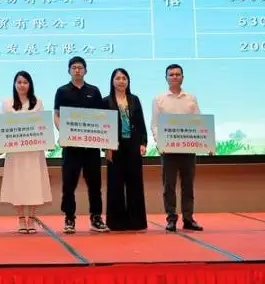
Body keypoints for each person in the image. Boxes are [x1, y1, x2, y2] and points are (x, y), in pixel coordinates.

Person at [53, 56, 109, 234]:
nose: (77, 70)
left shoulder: (94, 91)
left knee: (95, 184)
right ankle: (69, 218)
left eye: (80, 67)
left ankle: (96, 217)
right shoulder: (62, 91)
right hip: (71, 147)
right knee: (69, 184)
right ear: (69, 70)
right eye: (74, 67)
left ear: (85, 70)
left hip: (91, 147)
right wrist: (63, 132)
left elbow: (102, 117)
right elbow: (57, 115)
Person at [152, 64, 204, 232]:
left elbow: (199, 122)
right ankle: (171, 219)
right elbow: (155, 125)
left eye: (177, 74)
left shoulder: (191, 98)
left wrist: (206, 142)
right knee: (169, 186)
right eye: (171, 74)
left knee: (188, 185)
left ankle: (188, 219)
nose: (174, 77)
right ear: (166, 78)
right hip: (168, 150)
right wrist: (160, 143)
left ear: (182, 77)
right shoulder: (159, 99)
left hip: (188, 149)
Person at [0, 71, 52, 234]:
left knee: (34, 182)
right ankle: (21, 218)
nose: (22, 85)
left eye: (25, 82)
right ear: (14, 84)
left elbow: (43, 125)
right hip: (15, 151)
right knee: (18, 183)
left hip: (33, 150)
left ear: (30, 85)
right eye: (19, 82)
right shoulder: (7, 103)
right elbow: (3, 127)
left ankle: (32, 217)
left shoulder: (38, 102)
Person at [102, 68, 148, 231]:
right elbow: (102, 127)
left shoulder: (134, 100)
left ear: (128, 81)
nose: (121, 81)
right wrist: (106, 147)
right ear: (112, 81)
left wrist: (143, 142)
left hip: (133, 145)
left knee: (135, 183)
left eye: (124, 78)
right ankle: (117, 223)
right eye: (118, 78)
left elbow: (141, 122)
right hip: (114, 146)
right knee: (115, 184)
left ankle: (136, 222)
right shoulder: (106, 101)